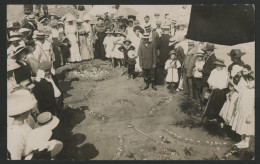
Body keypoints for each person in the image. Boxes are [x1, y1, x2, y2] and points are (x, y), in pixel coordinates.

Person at [229, 65, 255, 149]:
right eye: (248, 81)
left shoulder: (254, 91)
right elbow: (239, 98)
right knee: (241, 125)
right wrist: (237, 108)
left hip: (249, 111)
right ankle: (242, 140)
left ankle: (246, 141)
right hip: (242, 109)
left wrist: (251, 114)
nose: (249, 83)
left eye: (251, 82)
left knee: (247, 127)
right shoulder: (244, 89)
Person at [7, 89, 37, 160]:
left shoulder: (23, 122)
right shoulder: (15, 133)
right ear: (21, 112)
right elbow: (16, 158)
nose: (30, 111)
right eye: (28, 109)